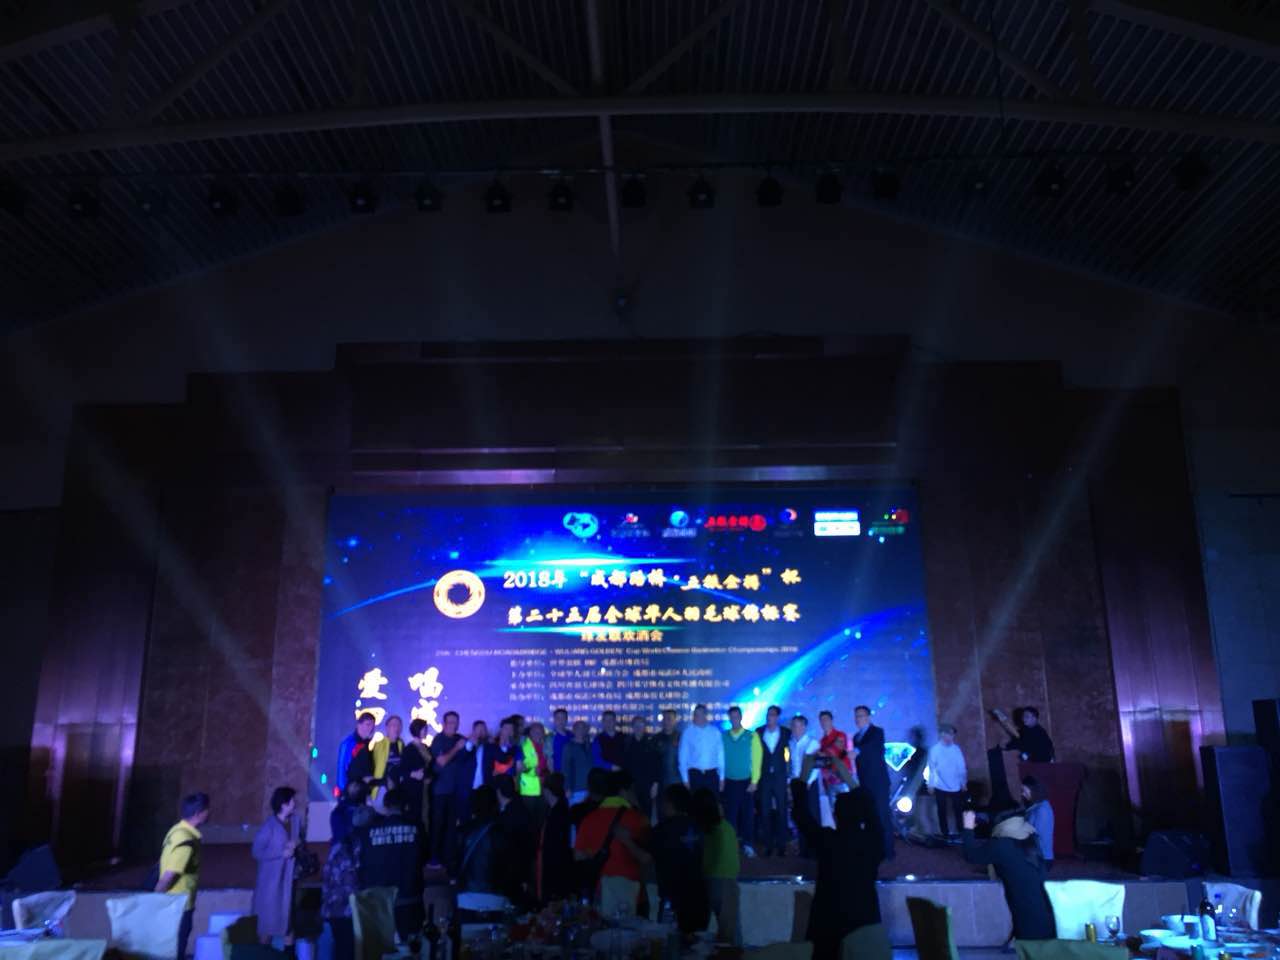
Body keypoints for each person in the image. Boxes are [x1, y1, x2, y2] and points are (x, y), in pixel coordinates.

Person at [789, 761, 884, 960]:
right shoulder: (872, 842)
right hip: (865, 927)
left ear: (835, 815)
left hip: (827, 931)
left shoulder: (828, 841)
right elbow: (870, 808)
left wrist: (805, 770)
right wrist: (846, 774)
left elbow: (801, 814)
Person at [961, 809, 1054, 940]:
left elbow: (971, 855)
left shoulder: (1002, 845)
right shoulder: (1030, 838)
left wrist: (968, 828)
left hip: (1028, 920)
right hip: (1047, 915)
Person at [573, 772, 651, 917]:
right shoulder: (637, 819)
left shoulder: (589, 819)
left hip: (601, 895)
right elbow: (647, 859)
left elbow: (578, 856)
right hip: (634, 896)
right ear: (624, 791)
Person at [357, 788, 424, 940]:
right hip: (410, 899)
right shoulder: (417, 827)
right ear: (405, 806)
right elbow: (424, 856)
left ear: (386, 806)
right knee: (411, 947)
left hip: (380, 902)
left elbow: (363, 861)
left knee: (381, 948)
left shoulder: (369, 830)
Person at [651, 784, 710, 935]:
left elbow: (646, 858)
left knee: (670, 943)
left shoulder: (661, 830)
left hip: (673, 902)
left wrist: (626, 839)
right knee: (696, 945)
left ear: (669, 803)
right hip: (700, 899)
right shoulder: (700, 827)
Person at [156, 792, 209, 960]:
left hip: (173, 904)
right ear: (198, 813)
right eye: (207, 810)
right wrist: (154, 902)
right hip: (179, 906)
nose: (209, 813)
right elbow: (169, 876)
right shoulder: (186, 841)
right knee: (176, 951)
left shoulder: (176, 831)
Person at [322, 782, 368, 960]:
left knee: (340, 946)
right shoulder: (356, 844)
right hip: (349, 908)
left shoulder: (337, 816)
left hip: (334, 906)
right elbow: (353, 880)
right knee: (349, 948)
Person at [691, 788, 740, 945]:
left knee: (700, 932)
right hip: (726, 881)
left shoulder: (705, 829)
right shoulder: (722, 827)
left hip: (708, 879)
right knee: (730, 936)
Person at [251, 786, 298, 945]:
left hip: (288, 882)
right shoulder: (269, 827)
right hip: (272, 884)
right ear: (283, 804)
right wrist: (280, 853)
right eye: (292, 800)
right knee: (268, 925)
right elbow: (257, 851)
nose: (294, 803)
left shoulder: (294, 823)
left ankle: (289, 953)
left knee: (288, 924)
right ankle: (264, 952)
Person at [852, 705, 894, 860]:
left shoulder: (877, 732)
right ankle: (875, 849)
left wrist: (856, 751)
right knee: (870, 817)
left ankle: (888, 852)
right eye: (856, 716)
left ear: (868, 717)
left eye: (861, 715)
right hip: (864, 783)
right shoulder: (856, 737)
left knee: (882, 816)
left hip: (879, 782)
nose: (858, 719)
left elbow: (870, 747)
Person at [453, 785, 504, 911]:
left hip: (466, 895)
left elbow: (453, 864)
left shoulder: (463, 831)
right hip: (496, 896)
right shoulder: (501, 832)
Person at [428, 710, 468, 865]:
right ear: (444, 724)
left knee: (452, 826)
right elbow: (442, 761)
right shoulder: (438, 740)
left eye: (455, 722)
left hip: (455, 791)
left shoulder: (460, 738)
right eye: (450, 722)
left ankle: (448, 858)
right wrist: (457, 748)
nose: (453, 725)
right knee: (438, 825)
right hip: (440, 791)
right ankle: (433, 858)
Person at [721, 706, 761, 857]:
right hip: (729, 781)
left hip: (746, 782)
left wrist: (755, 781)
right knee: (730, 816)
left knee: (747, 815)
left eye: (736, 716)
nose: (734, 719)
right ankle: (731, 845)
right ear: (729, 718)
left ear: (741, 717)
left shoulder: (752, 736)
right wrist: (721, 778)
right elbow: (719, 758)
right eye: (732, 717)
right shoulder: (723, 736)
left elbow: (757, 759)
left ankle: (748, 844)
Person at [755, 706, 791, 857]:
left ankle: (782, 845)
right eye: (768, 714)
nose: (770, 717)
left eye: (773, 715)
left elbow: (789, 754)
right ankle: (768, 844)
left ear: (777, 717)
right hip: (764, 777)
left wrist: (788, 775)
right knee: (765, 811)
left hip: (780, 776)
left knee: (782, 811)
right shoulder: (759, 732)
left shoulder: (786, 732)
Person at [494, 774, 535, 908]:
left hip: (511, 874)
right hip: (523, 871)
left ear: (498, 792)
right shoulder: (522, 809)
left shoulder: (506, 817)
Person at [538, 772, 574, 904]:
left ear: (547, 791)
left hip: (554, 869)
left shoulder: (556, 813)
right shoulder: (562, 809)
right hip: (560, 867)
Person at [927, 723, 967, 841]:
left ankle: (961, 832)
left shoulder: (956, 749)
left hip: (956, 785)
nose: (951, 737)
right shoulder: (935, 750)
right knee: (942, 810)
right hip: (940, 785)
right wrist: (931, 784)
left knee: (958, 809)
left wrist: (963, 782)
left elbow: (961, 767)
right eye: (949, 734)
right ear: (942, 734)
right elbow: (932, 769)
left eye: (952, 735)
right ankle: (945, 834)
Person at [788, 715, 821, 854]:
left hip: (809, 783)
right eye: (793, 726)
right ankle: (803, 849)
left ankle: (815, 849)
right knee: (800, 816)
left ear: (804, 727)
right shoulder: (791, 743)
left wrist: (807, 782)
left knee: (812, 815)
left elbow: (816, 766)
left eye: (798, 725)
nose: (795, 728)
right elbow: (791, 765)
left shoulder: (812, 743)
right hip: (796, 783)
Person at [679, 704, 725, 793]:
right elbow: (683, 758)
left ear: (705, 715)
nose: (696, 717)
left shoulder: (715, 732)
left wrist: (722, 778)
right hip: (695, 775)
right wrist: (685, 780)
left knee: (712, 801)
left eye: (699, 714)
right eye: (695, 715)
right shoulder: (687, 733)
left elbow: (720, 756)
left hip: (712, 775)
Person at [817, 710, 852, 827]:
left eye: (826, 719)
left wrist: (822, 754)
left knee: (848, 809)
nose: (824, 722)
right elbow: (822, 762)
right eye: (822, 720)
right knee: (834, 810)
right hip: (830, 781)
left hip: (843, 779)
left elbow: (837, 751)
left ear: (831, 721)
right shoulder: (821, 741)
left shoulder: (840, 735)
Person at [624, 715, 663, 821]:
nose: (638, 728)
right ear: (632, 727)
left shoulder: (651, 743)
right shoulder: (627, 743)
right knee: (631, 816)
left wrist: (655, 784)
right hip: (631, 786)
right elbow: (625, 766)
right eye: (636, 725)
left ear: (645, 726)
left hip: (647, 785)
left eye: (641, 725)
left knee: (646, 815)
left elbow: (657, 765)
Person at [402, 718, 432, 833]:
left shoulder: (426, 747)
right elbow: (403, 769)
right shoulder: (408, 749)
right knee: (416, 815)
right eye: (424, 729)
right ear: (417, 730)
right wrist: (413, 774)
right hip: (414, 788)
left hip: (427, 787)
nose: (426, 731)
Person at [519, 721, 549, 831]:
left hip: (544, 787)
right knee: (529, 820)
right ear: (530, 732)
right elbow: (519, 768)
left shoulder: (546, 745)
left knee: (542, 819)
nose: (538, 734)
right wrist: (533, 770)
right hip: (529, 790)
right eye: (536, 732)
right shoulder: (524, 745)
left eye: (541, 732)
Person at [370, 714, 405, 805]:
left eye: (399, 725)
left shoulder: (401, 744)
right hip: (382, 787)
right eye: (393, 725)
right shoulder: (379, 745)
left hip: (398, 788)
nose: (396, 728)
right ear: (387, 728)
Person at [337, 712, 376, 793]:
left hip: (362, 790)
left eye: (373, 726)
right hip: (351, 790)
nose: (371, 728)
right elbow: (342, 766)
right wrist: (344, 789)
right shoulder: (349, 743)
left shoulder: (365, 744)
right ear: (359, 725)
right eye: (368, 725)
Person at [1021, 776, 1055, 869]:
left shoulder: (1043, 809)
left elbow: (1037, 834)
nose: (1023, 794)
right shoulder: (1036, 807)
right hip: (1035, 855)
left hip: (1041, 857)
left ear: (1033, 789)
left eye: (1024, 790)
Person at [562, 720, 594, 804]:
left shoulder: (590, 746)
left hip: (590, 789)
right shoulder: (569, 747)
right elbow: (565, 769)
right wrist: (567, 788)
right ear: (573, 730)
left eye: (583, 728)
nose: (581, 730)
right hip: (575, 790)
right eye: (578, 728)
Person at [653, 709, 682, 795]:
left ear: (675, 721)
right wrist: (654, 782)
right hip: (660, 783)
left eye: (669, 719)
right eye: (664, 719)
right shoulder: (656, 739)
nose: (666, 722)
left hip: (678, 782)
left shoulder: (682, 738)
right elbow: (653, 763)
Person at [550, 708, 572, 773]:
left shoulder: (572, 735)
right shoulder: (550, 738)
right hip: (558, 773)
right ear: (554, 720)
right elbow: (549, 759)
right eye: (558, 718)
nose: (561, 721)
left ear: (567, 720)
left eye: (563, 718)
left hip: (572, 771)